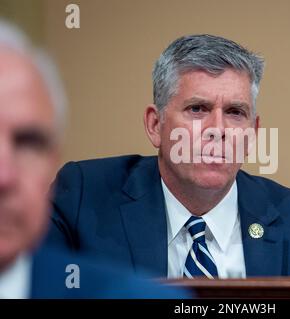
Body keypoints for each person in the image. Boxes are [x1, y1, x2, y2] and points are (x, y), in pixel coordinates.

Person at [45, 34, 290, 279]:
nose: (217, 130)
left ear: (252, 132)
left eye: (235, 113)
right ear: (155, 125)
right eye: (197, 109)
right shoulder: (84, 200)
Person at [0, 20, 189, 298]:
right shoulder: (84, 190)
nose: (5, 177)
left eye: (28, 143)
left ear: (53, 159)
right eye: (196, 109)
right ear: (155, 123)